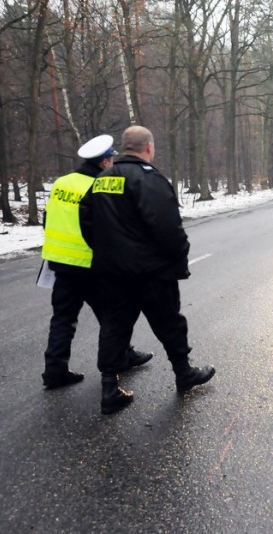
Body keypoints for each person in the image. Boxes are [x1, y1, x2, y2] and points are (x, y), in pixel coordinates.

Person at [79, 125, 215, 414]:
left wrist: (106, 252)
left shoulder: (101, 179)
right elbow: (168, 228)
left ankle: (109, 389)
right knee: (169, 323)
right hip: (150, 273)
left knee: (114, 328)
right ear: (149, 148)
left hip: (112, 273)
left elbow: (87, 222)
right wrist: (179, 256)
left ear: (124, 148)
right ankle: (183, 373)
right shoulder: (149, 179)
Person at [41, 134, 153, 389]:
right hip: (92, 266)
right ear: (103, 163)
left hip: (60, 263)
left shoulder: (61, 182)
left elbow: (49, 220)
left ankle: (54, 371)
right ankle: (123, 357)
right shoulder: (101, 186)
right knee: (113, 317)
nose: (113, 163)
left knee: (63, 319)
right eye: (111, 159)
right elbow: (109, 229)